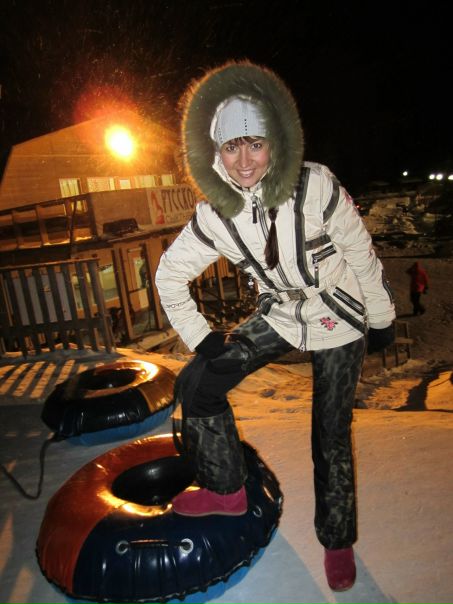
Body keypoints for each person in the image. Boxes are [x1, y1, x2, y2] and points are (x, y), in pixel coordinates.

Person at [155, 61, 396, 592]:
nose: (244, 161)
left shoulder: (314, 187)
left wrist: (380, 317)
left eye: (255, 144)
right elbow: (168, 274)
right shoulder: (216, 214)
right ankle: (226, 490)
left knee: (329, 435)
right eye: (231, 147)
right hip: (281, 314)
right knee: (198, 383)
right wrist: (201, 337)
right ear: (215, 153)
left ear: (275, 143)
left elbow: (360, 251)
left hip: (339, 314)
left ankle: (337, 539)